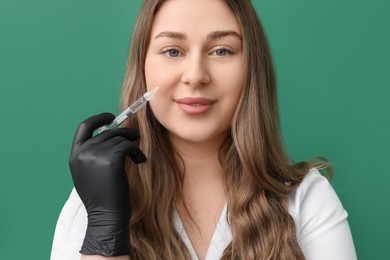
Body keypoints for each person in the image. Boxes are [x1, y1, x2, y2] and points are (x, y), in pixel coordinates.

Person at [51, 0, 357, 259]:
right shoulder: (94, 202)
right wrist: (105, 232)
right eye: (172, 51)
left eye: (222, 50)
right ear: (142, 67)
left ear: (252, 68)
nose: (196, 76)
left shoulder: (307, 199)